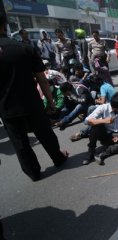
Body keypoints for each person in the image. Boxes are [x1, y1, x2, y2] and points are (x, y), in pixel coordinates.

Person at [0, 15, 68, 181]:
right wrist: (51, 102)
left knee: (20, 142)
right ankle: (58, 157)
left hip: (6, 107)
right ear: (5, 25)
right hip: (31, 102)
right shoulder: (24, 48)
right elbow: (42, 79)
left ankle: (33, 172)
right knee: (45, 133)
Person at [83, 91, 118, 165]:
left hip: (114, 135)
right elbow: (86, 121)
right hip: (103, 134)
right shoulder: (103, 107)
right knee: (96, 126)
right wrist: (103, 120)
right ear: (116, 107)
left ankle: (104, 153)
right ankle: (91, 152)